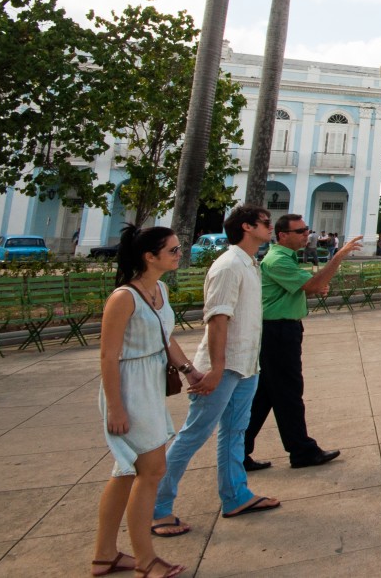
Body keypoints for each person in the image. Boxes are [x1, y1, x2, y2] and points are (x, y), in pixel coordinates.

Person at [152, 205, 280, 535]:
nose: (271, 227)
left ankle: (236, 495)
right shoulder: (228, 265)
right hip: (224, 367)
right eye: (266, 223)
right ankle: (157, 507)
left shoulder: (249, 263)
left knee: (234, 433)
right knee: (193, 435)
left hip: (246, 364)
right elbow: (217, 318)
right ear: (248, 227)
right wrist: (215, 368)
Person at [92, 225, 198, 578]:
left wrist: (189, 370)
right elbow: (108, 357)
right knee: (151, 470)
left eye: (178, 248)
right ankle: (145, 559)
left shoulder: (160, 290)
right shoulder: (124, 297)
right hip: (128, 387)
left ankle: (104, 555)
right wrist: (116, 407)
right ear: (149, 257)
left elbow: (166, 338)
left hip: (150, 383)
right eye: (172, 250)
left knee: (126, 473)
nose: (179, 254)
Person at [244, 215, 362, 470]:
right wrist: (338, 256)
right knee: (288, 392)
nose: (305, 235)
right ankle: (302, 450)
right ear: (282, 235)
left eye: (306, 230)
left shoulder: (285, 258)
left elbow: (307, 288)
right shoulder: (277, 260)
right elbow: (313, 284)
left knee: (265, 395)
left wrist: (315, 286)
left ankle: (240, 449)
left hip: (281, 329)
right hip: (278, 331)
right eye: (299, 231)